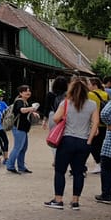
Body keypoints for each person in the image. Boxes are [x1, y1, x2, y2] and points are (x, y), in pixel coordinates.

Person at [43, 78, 99, 210]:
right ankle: (75, 201)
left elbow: (56, 118)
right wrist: (89, 139)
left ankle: (58, 200)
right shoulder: (92, 104)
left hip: (67, 140)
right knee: (78, 172)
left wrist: (64, 118)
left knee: (60, 171)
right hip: (84, 141)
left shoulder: (66, 103)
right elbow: (95, 123)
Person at [6, 85, 40, 174]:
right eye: (25, 91)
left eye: (29, 90)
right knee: (18, 147)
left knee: (23, 148)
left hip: (23, 128)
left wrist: (33, 112)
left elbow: (26, 112)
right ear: (21, 93)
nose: (28, 92)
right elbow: (21, 110)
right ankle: (10, 165)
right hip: (18, 128)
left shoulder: (26, 101)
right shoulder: (19, 101)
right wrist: (31, 109)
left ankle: (21, 166)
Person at [87, 77, 109, 174]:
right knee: (101, 144)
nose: (88, 86)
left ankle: (99, 163)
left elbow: (89, 109)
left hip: (95, 123)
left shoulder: (90, 94)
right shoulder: (106, 94)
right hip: (104, 123)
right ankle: (102, 163)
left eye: (89, 84)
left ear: (94, 84)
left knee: (92, 145)